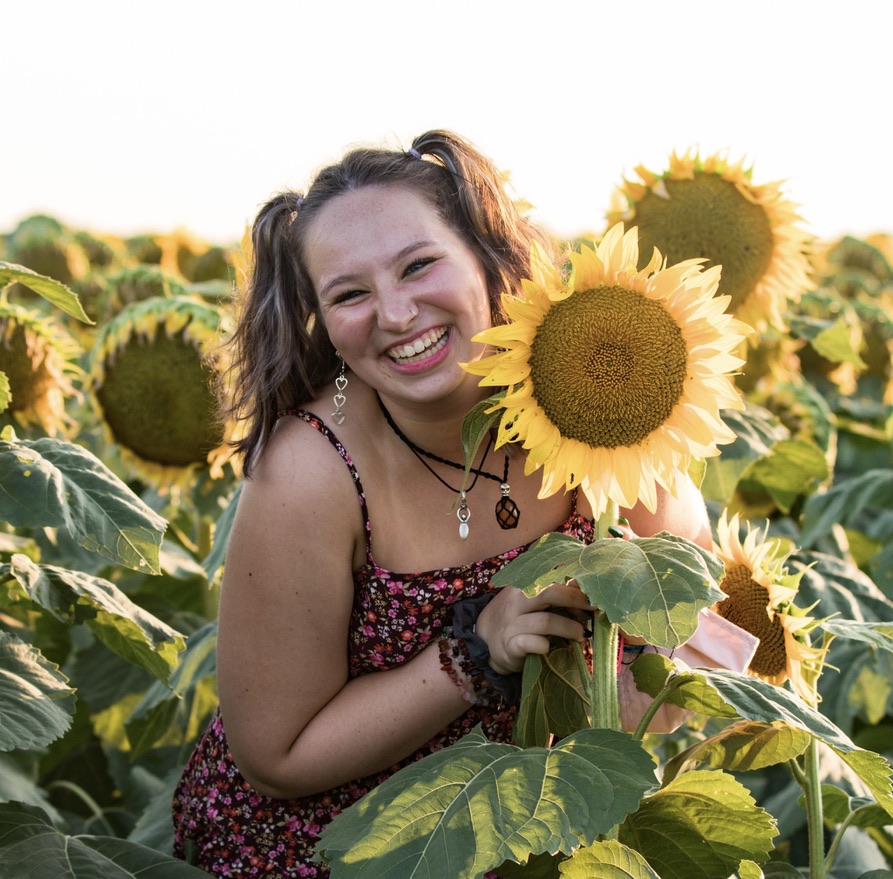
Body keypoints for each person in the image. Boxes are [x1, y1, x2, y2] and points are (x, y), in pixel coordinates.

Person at [172, 129, 757, 877]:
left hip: (530, 831)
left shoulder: (596, 395)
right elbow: (275, 757)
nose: (394, 311)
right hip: (335, 844)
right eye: (349, 293)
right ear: (321, 318)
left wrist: (591, 739)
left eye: (418, 265)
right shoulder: (311, 470)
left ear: (485, 258)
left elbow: (689, 628)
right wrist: (473, 653)